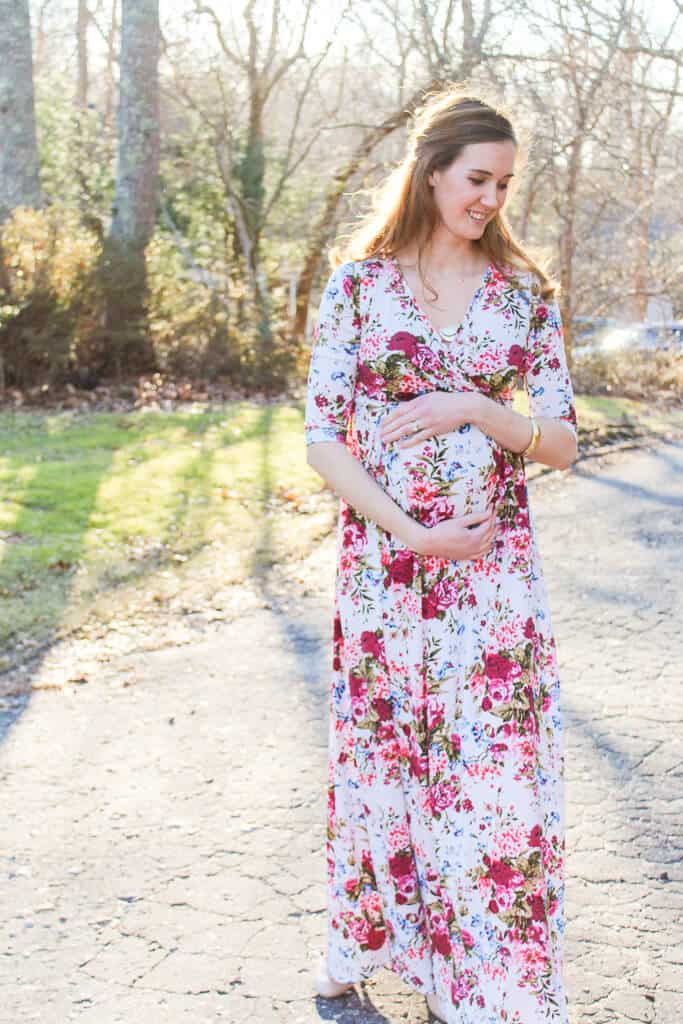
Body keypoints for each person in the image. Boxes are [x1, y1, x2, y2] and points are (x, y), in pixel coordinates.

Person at [303, 85, 577, 1024]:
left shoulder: (521, 296)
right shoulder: (358, 286)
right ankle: (362, 943)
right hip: (386, 575)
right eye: (477, 179)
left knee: (489, 776)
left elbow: (563, 441)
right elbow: (322, 440)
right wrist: (410, 532)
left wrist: (474, 407)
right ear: (429, 174)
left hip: (491, 586)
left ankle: (491, 984)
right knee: (387, 765)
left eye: (504, 183)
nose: (491, 199)